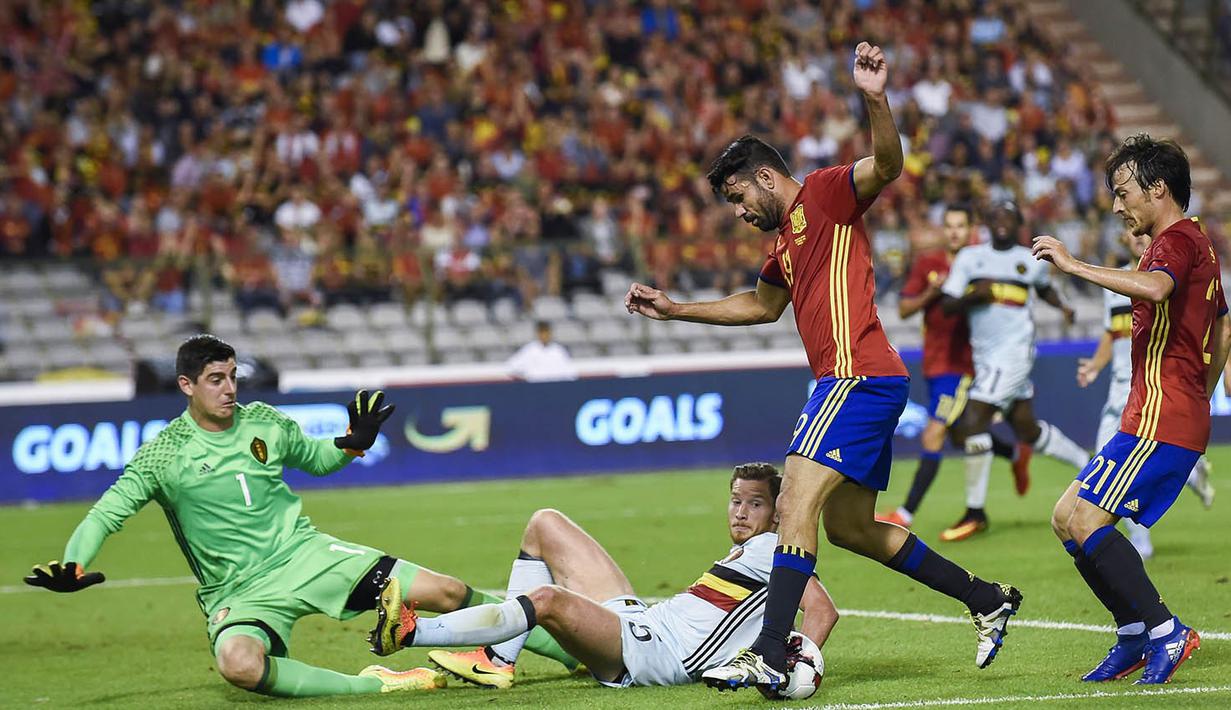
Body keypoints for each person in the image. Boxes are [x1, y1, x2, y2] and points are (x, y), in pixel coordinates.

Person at [623, 43, 1021, 699]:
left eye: (735, 196)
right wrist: (677, 310)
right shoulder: (782, 244)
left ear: (765, 177)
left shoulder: (827, 193)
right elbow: (759, 304)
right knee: (851, 529)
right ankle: (984, 597)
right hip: (858, 380)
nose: (736, 211)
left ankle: (768, 654)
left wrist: (873, 99)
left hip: (853, 375)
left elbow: (887, 164)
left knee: (794, 502)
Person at [23, 335, 575, 697]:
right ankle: (376, 685)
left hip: (307, 556)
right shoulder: (162, 455)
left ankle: (574, 645)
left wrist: (353, 442)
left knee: (449, 592)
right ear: (186, 386)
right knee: (239, 665)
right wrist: (74, 564)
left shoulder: (263, 421)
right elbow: (105, 515)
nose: (230, 388)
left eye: (234, 375)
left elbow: (317, 460)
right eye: (216, 379)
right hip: (238, 593)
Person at [1035, 134, 1231, 684]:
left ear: (1158, 188)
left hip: (1161, 417)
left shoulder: (1174, 241)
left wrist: (1074, 266)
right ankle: (1132, 634)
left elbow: (1155, 289)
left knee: (1087, 519)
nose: (1117, 206)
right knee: (1065, 519)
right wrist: (1202, 391)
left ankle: (1167, 630)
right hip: (1160, 413)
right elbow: (1223, 325)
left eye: (1124, 193)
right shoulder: (1201, 244)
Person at [365, 463, 839, 690]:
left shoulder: (775, 549)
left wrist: (793, 669)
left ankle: (412, 632)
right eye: (736, 500)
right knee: (544, 524)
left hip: (655, 654)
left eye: (755, 504)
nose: (740, 512)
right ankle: (497, 659)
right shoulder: (749, 549)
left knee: (548, 599)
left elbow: (822, 609)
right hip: (643, 622)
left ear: (777, 513)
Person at [938, 202, 1090, 541]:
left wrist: (1063, 306)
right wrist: (972, 297)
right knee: (1027, 430)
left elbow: (1044, 288)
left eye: (1009, 216)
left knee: (969, 423)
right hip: (985, 357)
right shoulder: (970, 259)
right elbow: (947, 306)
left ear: (1019, 222)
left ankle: (975, 513)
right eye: (995, 215)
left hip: (1015, 354)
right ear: (988, 222)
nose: (1002, 221)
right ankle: (1088, 464)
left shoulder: (1029, 259)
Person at [877, 205, 1023, 530]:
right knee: (961, 436)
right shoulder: (929, 264)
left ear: (971, 229)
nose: (955, 231)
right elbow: (903, 309)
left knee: (933, 435)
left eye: (961, 225)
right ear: (943, 230)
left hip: (962, 366)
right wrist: (933, 291)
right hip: (934, 364)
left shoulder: (981, 266)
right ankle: (1015, 454)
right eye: (950, 225)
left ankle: (905, 515)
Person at [1076, 230, 1215, 559]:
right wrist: (1095, 366)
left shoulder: (1171, 277)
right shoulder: (1116, 284)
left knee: (1121, 476)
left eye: (1145, 234)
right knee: (1105, 469)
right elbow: (1112, 334)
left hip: (1152, 392)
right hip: (1119, 394)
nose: (1138, 238)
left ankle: (1141, 542)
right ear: (1124, 237)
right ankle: (1192, 477)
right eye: (1133, 234)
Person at [507, 320, 578, 382]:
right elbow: (512, 367)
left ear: (550, 333)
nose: (544, 335)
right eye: (542, 332)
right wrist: (526, 378)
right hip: (535, 388)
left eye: (546, 332)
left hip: (556, 386)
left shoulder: (558, 350)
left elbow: (571, 373)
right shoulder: (529, 350)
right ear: (538, 333)